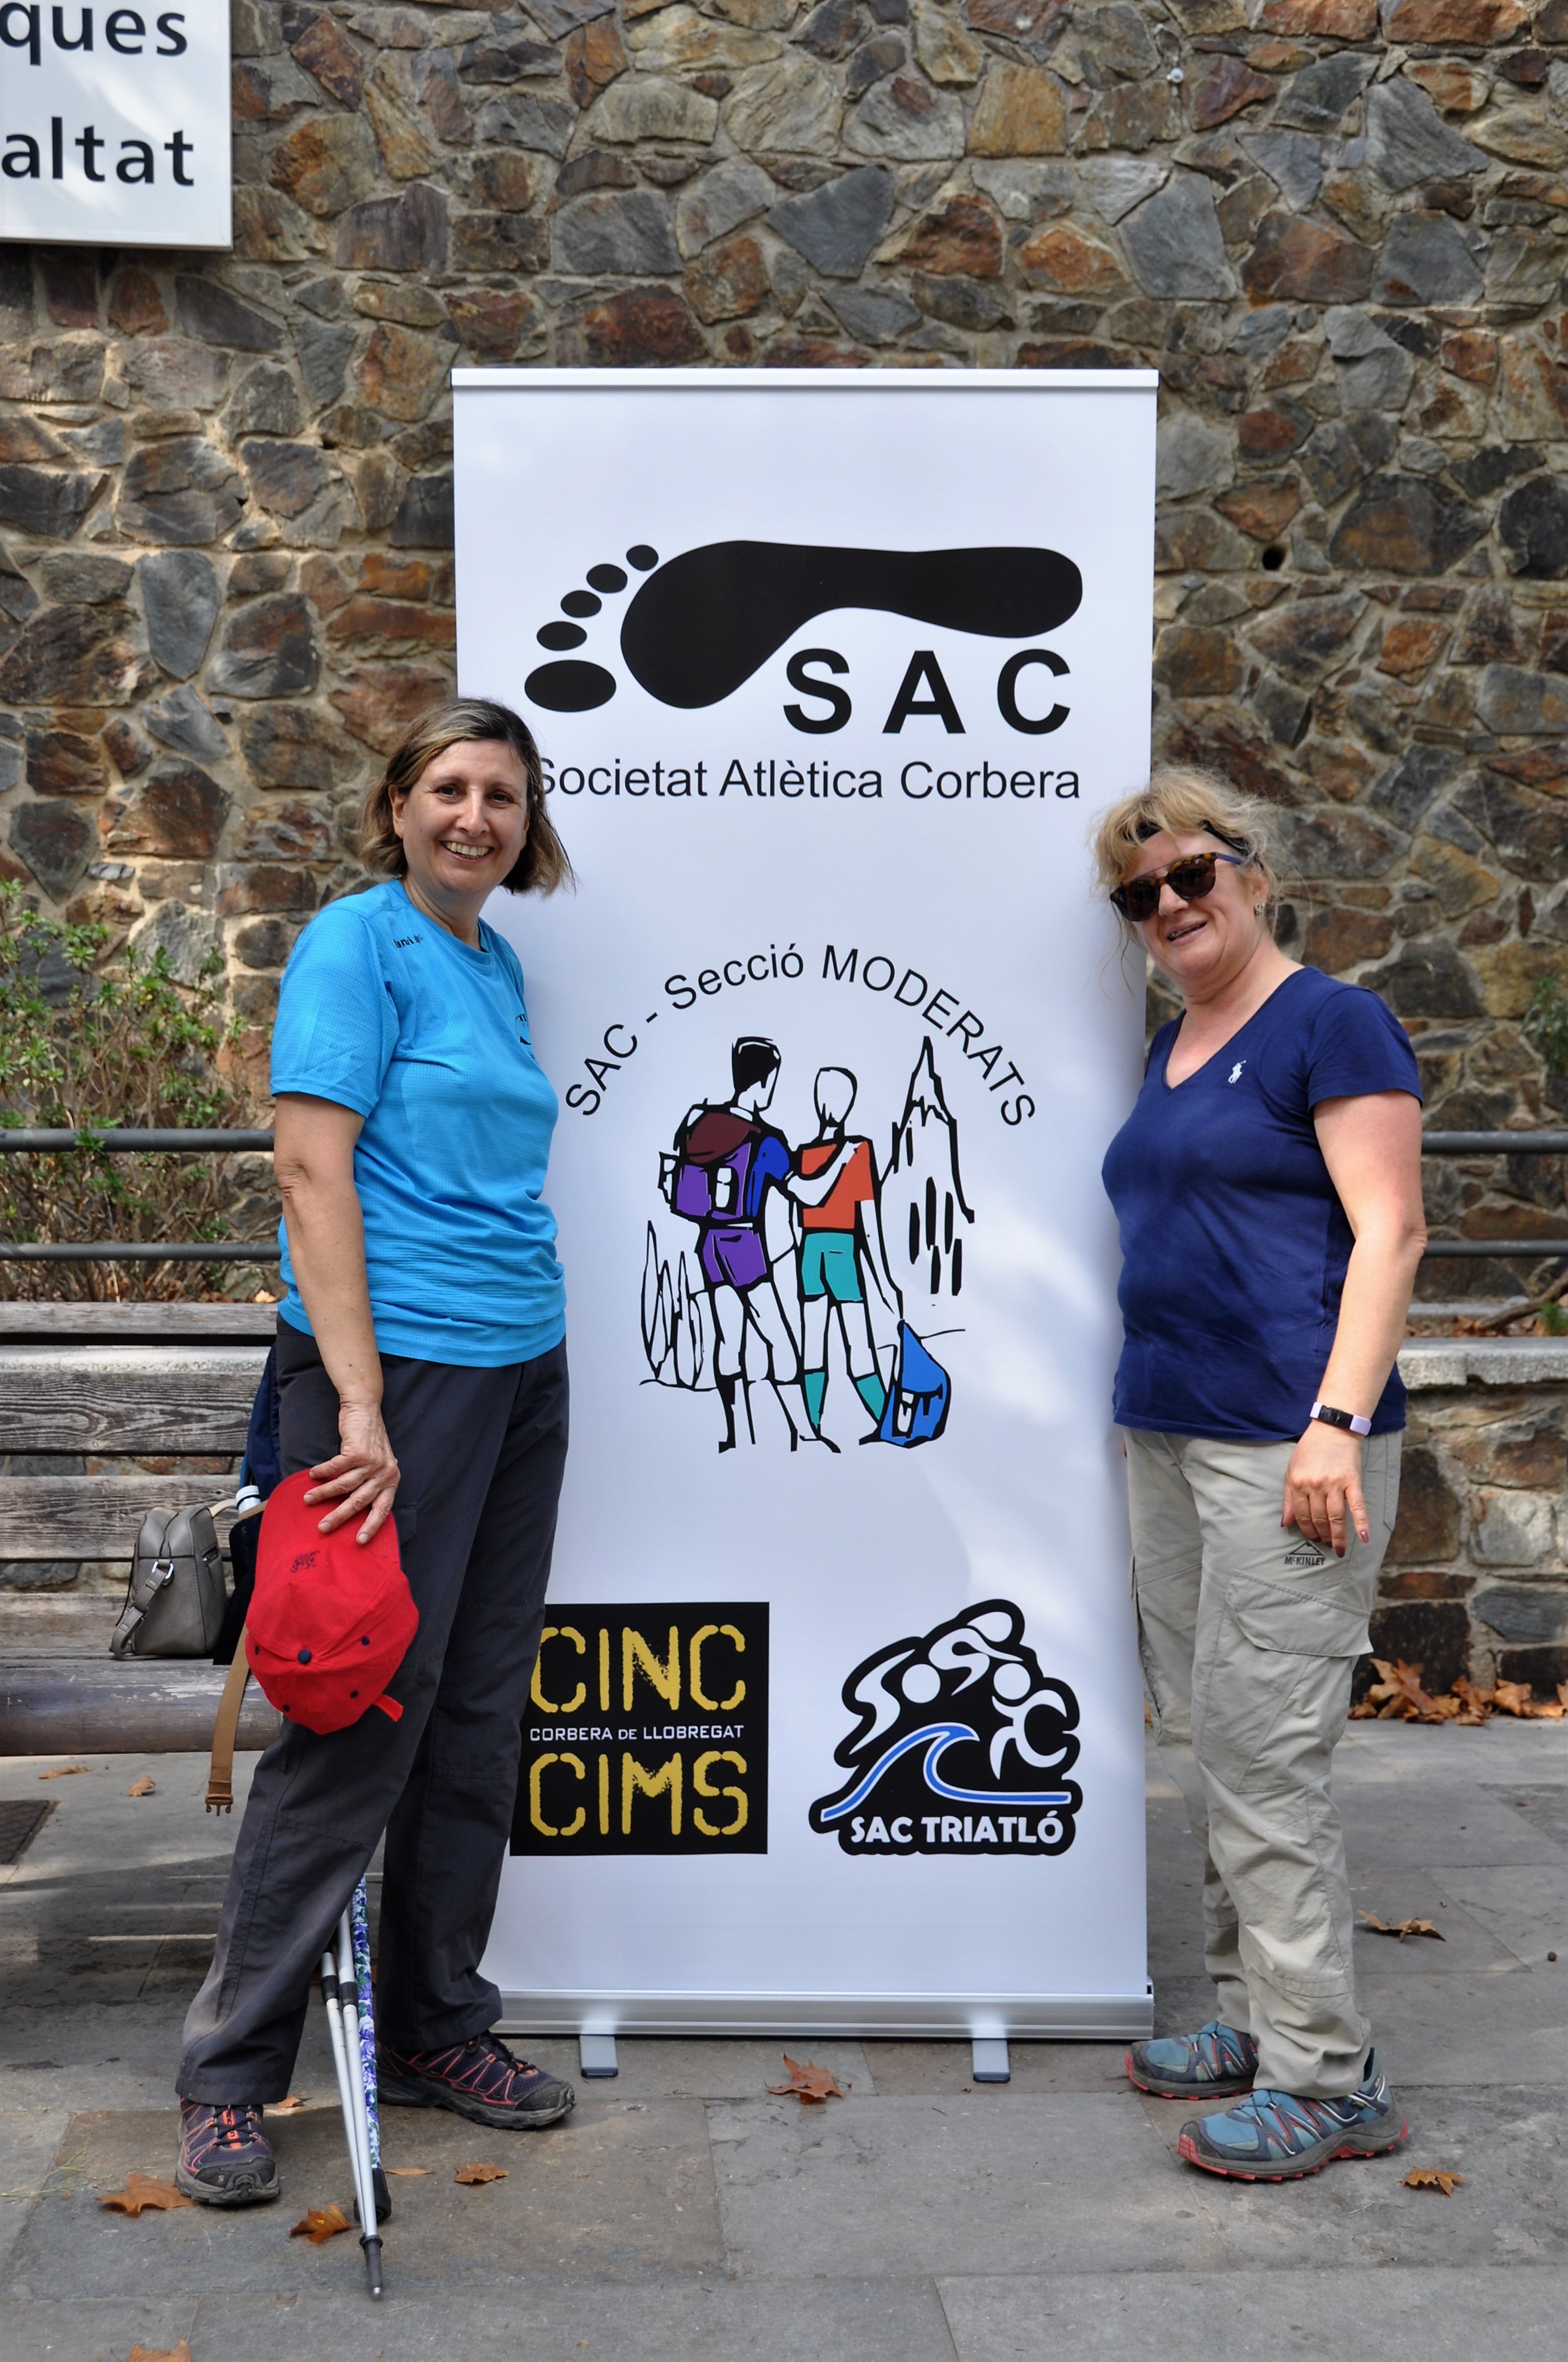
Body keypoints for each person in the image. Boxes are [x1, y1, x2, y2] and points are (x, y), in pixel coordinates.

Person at [175, 697, 577, 2205]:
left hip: (520, 1362)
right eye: (450, 788)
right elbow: (307, 1164)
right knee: (357, 1713)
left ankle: (433, 2023)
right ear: (398, 803)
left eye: (503, 796)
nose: (476, 816)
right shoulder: (357, 942)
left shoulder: (492, 959)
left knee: (474, 1710)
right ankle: (230, 2073)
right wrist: (354, 1403)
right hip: (390, 1380)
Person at [1097, 766, 1426, 2182]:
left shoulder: (1330, 1021)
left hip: (1289, 1447)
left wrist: (1333, 1420)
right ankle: (1253, 2017)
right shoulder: (1173, 1043)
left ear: (1254, 873)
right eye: (1141, 892)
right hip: (1174, 1432)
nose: (1170, 903)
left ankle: (1326, 2076)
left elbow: (1392, 1231)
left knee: (1265, 1753)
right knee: (1211, 1735)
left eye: (1193, 872)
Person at [666, 1037, 823, 1454]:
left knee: (728, 1339)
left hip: (709, 1244)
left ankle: (733, 1434)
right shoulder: (765, 1140)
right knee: (779, 1340)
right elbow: (802, 1192)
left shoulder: (701, 1123)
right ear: (765, 1081)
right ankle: (805, 1433)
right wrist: (838, 1166)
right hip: (743, 1243)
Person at [787, 1067, 890, 1440]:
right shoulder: (859, 1150)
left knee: (813, 1345)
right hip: (841, 1251)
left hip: (809, 1252)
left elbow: (793, 1220)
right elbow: (869, 1222)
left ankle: (813, 1426)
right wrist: (883, 1280)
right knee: (859, 1346)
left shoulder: (802, 1155)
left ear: (819, 1102)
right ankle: (885, 1421)